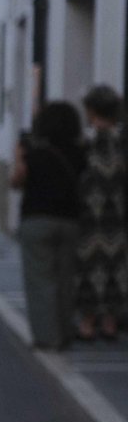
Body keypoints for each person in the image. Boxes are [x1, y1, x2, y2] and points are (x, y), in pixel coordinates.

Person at [11, 102, 88, 350]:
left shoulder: (35, 152)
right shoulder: (81, 153)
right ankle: (65, 331)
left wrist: (18, 156)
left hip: (37, 220)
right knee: (66, 279)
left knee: (40, 280)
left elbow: (15, 181)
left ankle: (48, 336)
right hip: (70, 220)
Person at [76, 86, 127, 341]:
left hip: (88, 218)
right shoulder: (121, 142)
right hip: (116, 219)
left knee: (89, 268)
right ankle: (109, 324)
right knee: (115, 269)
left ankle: (87, 324)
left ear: (91, 110)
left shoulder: (86, 142)